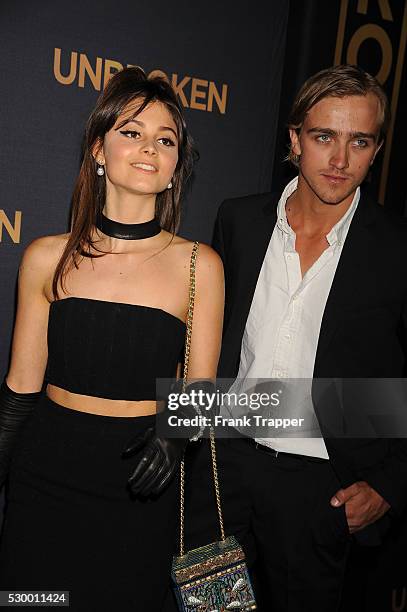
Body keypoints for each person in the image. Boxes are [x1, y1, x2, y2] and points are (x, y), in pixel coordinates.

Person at [184, 64, 407, 611]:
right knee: (211, 607)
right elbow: (208, 345)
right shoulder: (238, 220)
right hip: (222, 467)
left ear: (375, 150)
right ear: (294, 139)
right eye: (323, 136)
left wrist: (392, 483)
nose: (339, 160)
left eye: (359, 141)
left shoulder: (396, 249)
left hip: (321, 489)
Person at [0, 67, 224, 611]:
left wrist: (175, 437)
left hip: (140, 487)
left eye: (165, 139)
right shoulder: (46, 257)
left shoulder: (199, 265)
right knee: (35, 602)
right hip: (44, 478)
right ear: (99, 149)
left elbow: (201, 390)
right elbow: (19, 392)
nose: (149, 147)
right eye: (132, 131)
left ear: (176, 166)